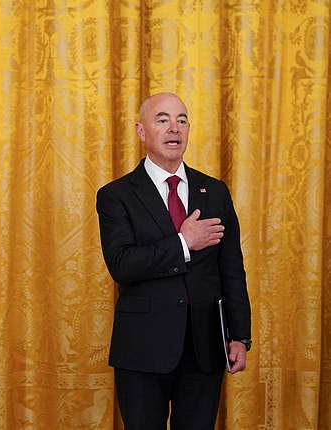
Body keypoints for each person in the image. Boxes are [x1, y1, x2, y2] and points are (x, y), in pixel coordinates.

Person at [96, 92, 251, 429]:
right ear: (141, 131)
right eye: (162, 120)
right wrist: (183, 242)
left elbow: (231, 269)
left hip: (204, 348)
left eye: (181, 120)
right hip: (142, 349)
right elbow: (122, 264)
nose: (174, 129)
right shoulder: (116, 196)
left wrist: (240, 335)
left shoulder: (216, 191)